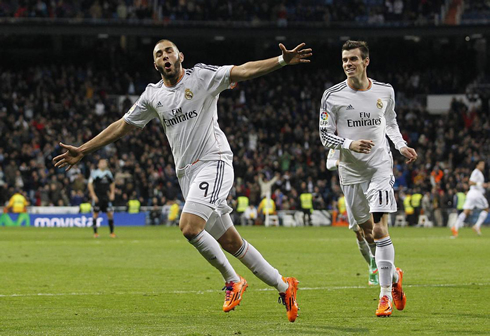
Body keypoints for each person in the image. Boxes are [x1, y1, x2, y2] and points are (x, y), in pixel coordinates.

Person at [53, 39, 311, 322]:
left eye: (168, 51)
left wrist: (281, 61)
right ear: (155, 64)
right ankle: (285, 286)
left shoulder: (201, 77)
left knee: (189, 227)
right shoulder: (153, 95)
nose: (164, 56)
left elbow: (243, 71)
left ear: (180, 56)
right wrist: (84, 149)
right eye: (158, 54)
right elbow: (122, 126)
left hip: (214, 162)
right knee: (232, 243)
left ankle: (233, 280)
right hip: (186, 175)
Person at [319, 40, 417, 317]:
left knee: (380, 229)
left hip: (379, 167)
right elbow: (324, 135)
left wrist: (400, 145)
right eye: (344, 60)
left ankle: (385, 295)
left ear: (366, 61)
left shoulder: (385, 91)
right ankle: (394, 278)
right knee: (366, 233)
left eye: (353, 59)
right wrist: (350, 145)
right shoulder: (332, 95)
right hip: (350, 172)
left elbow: (391, 122)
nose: (348, 64)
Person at [326, 149, 378, 286]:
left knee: (372, 229)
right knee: (358, 232)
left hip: (368, 184)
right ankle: (372, 265)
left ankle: (376, 264)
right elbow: (329, 163)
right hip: (350, 187)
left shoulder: (366, 134)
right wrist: (340, 162)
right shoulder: (339, 142)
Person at [451, 160, 488, 237]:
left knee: (466, 211)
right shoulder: (476, 172)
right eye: (481, 164)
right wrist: (481, 184)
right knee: (486, 209)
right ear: (477, 165)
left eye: (483, 164)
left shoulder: (479, 172)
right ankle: (477, 225)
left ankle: (455, 227)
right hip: (476, 193)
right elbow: (470, 182)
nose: (483, 166)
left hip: (472, 193)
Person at [88, 159, 116, 238]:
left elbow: (112, 183)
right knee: (95, 214)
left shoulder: (108, 173)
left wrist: (112, 193)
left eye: (105, 163)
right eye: (102, 162)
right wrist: (93, 195)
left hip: (106, 196)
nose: (103, 164)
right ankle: (95, 233)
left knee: (110, 213)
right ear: (98, 165)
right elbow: (90, 184)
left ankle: (112, 233)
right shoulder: (95, 173)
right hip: (98, 196)